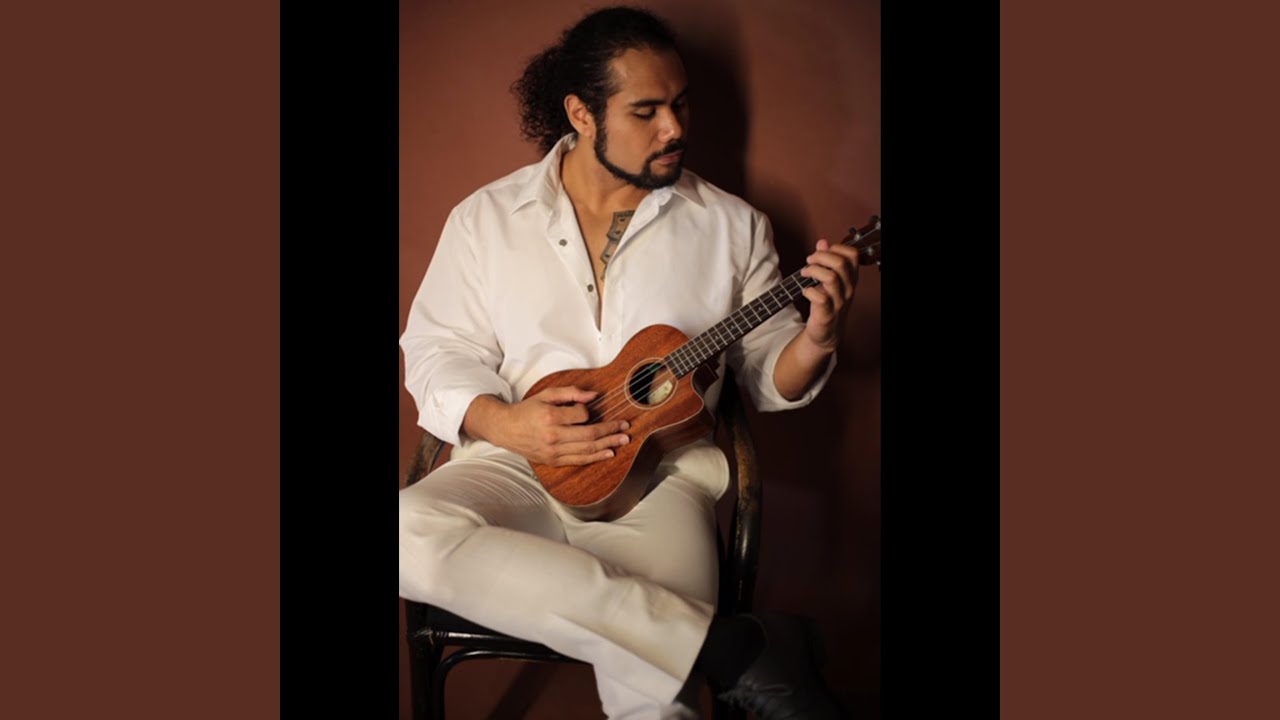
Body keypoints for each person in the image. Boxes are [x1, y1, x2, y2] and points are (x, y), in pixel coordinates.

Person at [399, 7, 859, 719]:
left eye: (680, 105)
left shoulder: (733, 227)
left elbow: (768, 376)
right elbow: (436, 348)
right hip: (517, 467)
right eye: (646, 111)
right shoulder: (485, 218)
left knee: (658, 707)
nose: (674, 128)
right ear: (581, 114)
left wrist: (819, 337)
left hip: (661, 482)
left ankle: (682, 643)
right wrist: (508, 424)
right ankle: (728, 648)